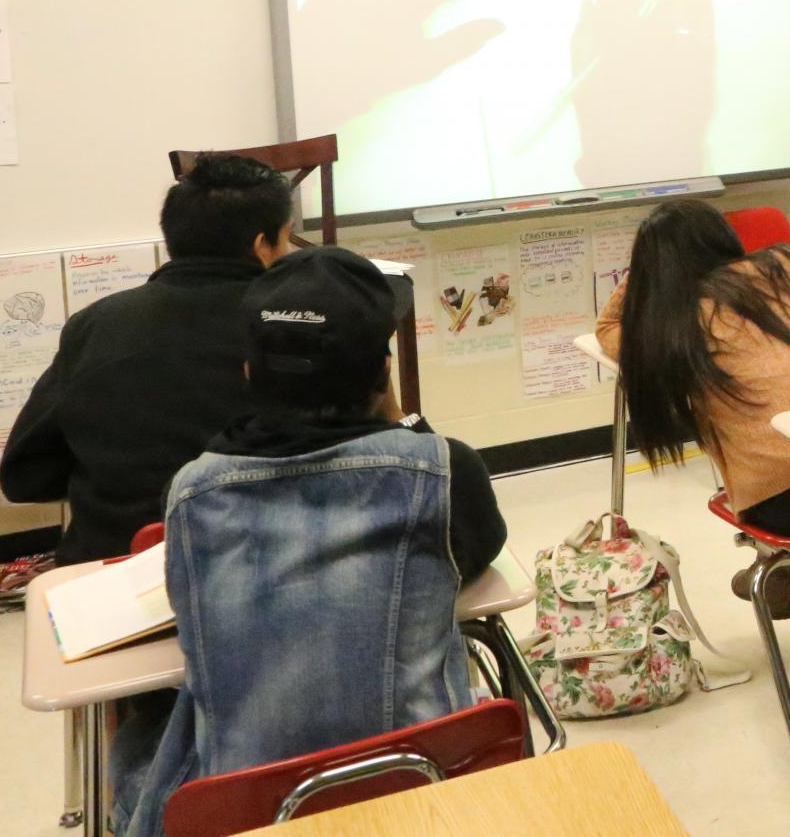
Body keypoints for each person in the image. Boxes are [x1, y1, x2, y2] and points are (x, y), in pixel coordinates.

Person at [114, 248, 508, 837]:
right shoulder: (444, 472)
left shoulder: (194, 492)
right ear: (382, 370)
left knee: (128, 745)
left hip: (249, 810)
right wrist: (399, 419)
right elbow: (479, 551)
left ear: (249, 374)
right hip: (422, 787)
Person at [596, 200, 790, 670]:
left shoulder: (669, 325)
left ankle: (774, 573)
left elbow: (607, 329)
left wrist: (645, 279)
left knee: (778, 459)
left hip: (787, 510)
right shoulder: (787, 265)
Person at [0, 153, 297, 564]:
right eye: (286, 238)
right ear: (261, 245)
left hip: (111, 571)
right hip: (266, 565)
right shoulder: (293, 326)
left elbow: (24, 476)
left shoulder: (95, 324)